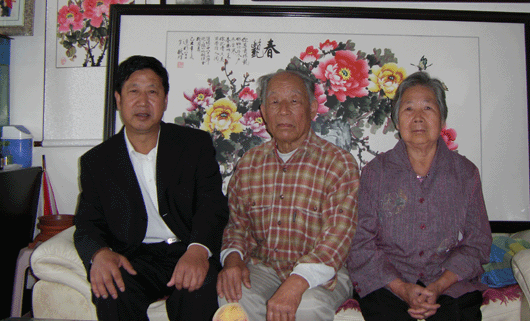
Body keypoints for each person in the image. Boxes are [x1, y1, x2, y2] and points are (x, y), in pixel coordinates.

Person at [74, 55, 229, 321]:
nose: (143, 102)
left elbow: (212, 204)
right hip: (134, 257)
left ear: (165, 100)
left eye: (152, 92)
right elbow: (88, 222)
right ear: (119, 99)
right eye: (133, 91)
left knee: (198, 289)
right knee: (111, 290)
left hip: (187, 248)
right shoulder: (97, 161)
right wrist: (99, 253)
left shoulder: (194, 145)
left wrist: (198, 250)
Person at [347, 71, 492, 321]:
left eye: (427, 107)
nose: (418, 117)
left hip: (449, 283)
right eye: (408, 109)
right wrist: (402, 288)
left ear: (442, 118)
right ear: (396, 121)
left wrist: (438, 286)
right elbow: (361, 242)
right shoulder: (375, 172)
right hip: (389, 284)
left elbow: (477, 242)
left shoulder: (465, 173)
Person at [216, 70, 359, 321]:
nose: (283, 110)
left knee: (307, 307)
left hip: (322, 273)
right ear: (263, 111)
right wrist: (233, 261)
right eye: (274, 102)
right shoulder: (249, 163)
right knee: (232, 297)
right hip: (265, 268)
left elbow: (337, 239)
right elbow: (237, 227)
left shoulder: (339, 163)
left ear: (312, 108)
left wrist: (296, 283)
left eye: (294, 101)